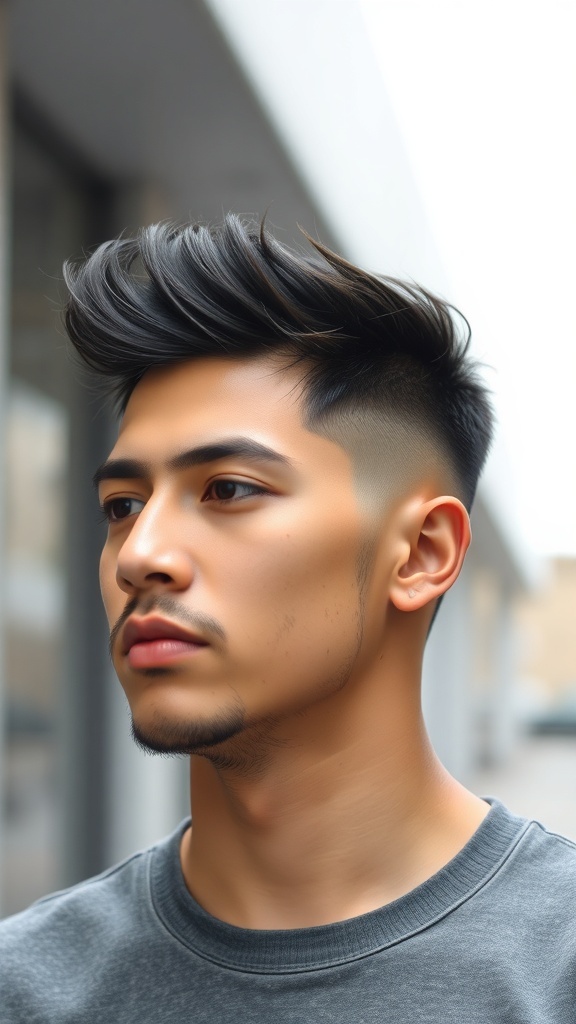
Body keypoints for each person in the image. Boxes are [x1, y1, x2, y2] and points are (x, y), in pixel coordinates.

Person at [1, 216, 574, 1022]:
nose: (140, 554)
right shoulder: (26, 987)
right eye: (122, 506)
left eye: (229, 489)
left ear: (420, 553)